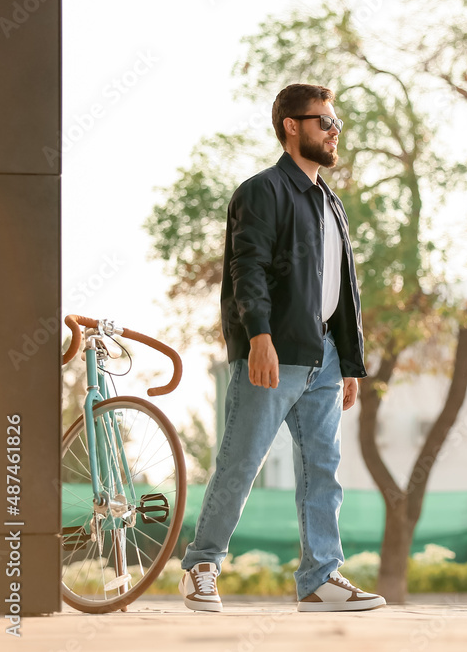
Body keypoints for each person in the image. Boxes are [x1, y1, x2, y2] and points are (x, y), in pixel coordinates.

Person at [178, 83, 385, 613]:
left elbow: (341, 287)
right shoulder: (261, 191)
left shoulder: (330, 202)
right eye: (325, 122)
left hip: (325, 358)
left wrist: (349, 362)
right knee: (241, 463)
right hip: (274, 352)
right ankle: (201, 565)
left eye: (337, 123)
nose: (335, 131)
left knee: (323, 472)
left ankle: (320, 579)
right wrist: (259, 337)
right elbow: (246, 268)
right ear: (292, 126)